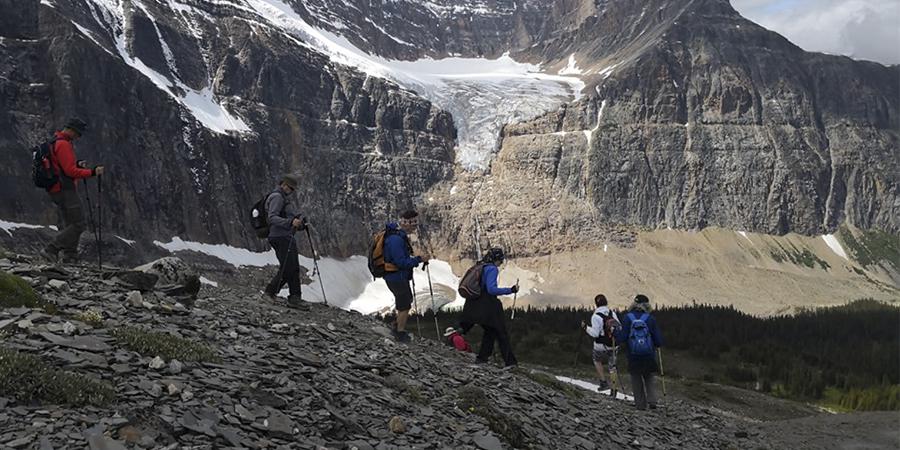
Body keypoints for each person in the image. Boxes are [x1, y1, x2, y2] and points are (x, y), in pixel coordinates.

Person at [41, 118, 105, 264]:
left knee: (71, 222)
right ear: (71, 130)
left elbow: (62, 166)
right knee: (79, 224)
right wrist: (93, 172)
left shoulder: (54, 141)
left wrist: (77, 164)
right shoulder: (63, 144)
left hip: (56, 189)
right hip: (65, 189)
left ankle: (70, 256)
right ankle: (51, 249)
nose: (78, 137)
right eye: (78, 133)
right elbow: (70, 172)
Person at [461, 247, 519, 368]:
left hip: (474, 304)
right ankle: (510, 362)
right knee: (500, 332)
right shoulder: (492, 269)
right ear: (497, 259)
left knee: (490, 331)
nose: (501, 263)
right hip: (488, 306)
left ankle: (482, 358)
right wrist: (511, 290)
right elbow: (491, 289)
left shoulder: (481, 266)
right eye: (501, 260)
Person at [383, 210, 428, 343]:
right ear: (405, 223)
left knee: (405, 300)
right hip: (397, 277)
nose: (415, 225)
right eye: (413, 222)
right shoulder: (396, 239)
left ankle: (396, 325)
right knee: (404, 305)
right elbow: (401, 262)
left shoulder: (396, 236)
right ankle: (399, 333)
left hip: (396, 276)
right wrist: (418, 259)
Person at [263, 175, 307, 309]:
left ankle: (293, 297)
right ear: (283, 185)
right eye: (290, 188)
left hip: (284, 236)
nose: (291, 191)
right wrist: (290, 222)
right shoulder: (277, 197)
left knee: (291, 267)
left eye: (293, 189)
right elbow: (272, 218)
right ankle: (274, 293)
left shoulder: (281, 197)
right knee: (289, 267)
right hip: (280, 237)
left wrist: (299, 225)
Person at [615, 294, 664, 410]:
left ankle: (640, 405)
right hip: (648, 354)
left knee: (636, 377)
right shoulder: (650, 318)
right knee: (649, 376)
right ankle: (652, 401)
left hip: (633, 354)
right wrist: (657, 345)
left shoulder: (627, 318)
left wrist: (615, 334)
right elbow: (658, 340)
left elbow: (622, 338)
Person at [583, 294, 620, 392]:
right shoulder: (612, 313)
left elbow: (595, 334)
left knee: (596, 359)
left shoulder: (595, 316)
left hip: (600, 345)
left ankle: (603, 382)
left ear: (596, 304)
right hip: (613, 344)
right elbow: (619, 327)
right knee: (612, 366)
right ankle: (614, 387)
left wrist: (586, 328)